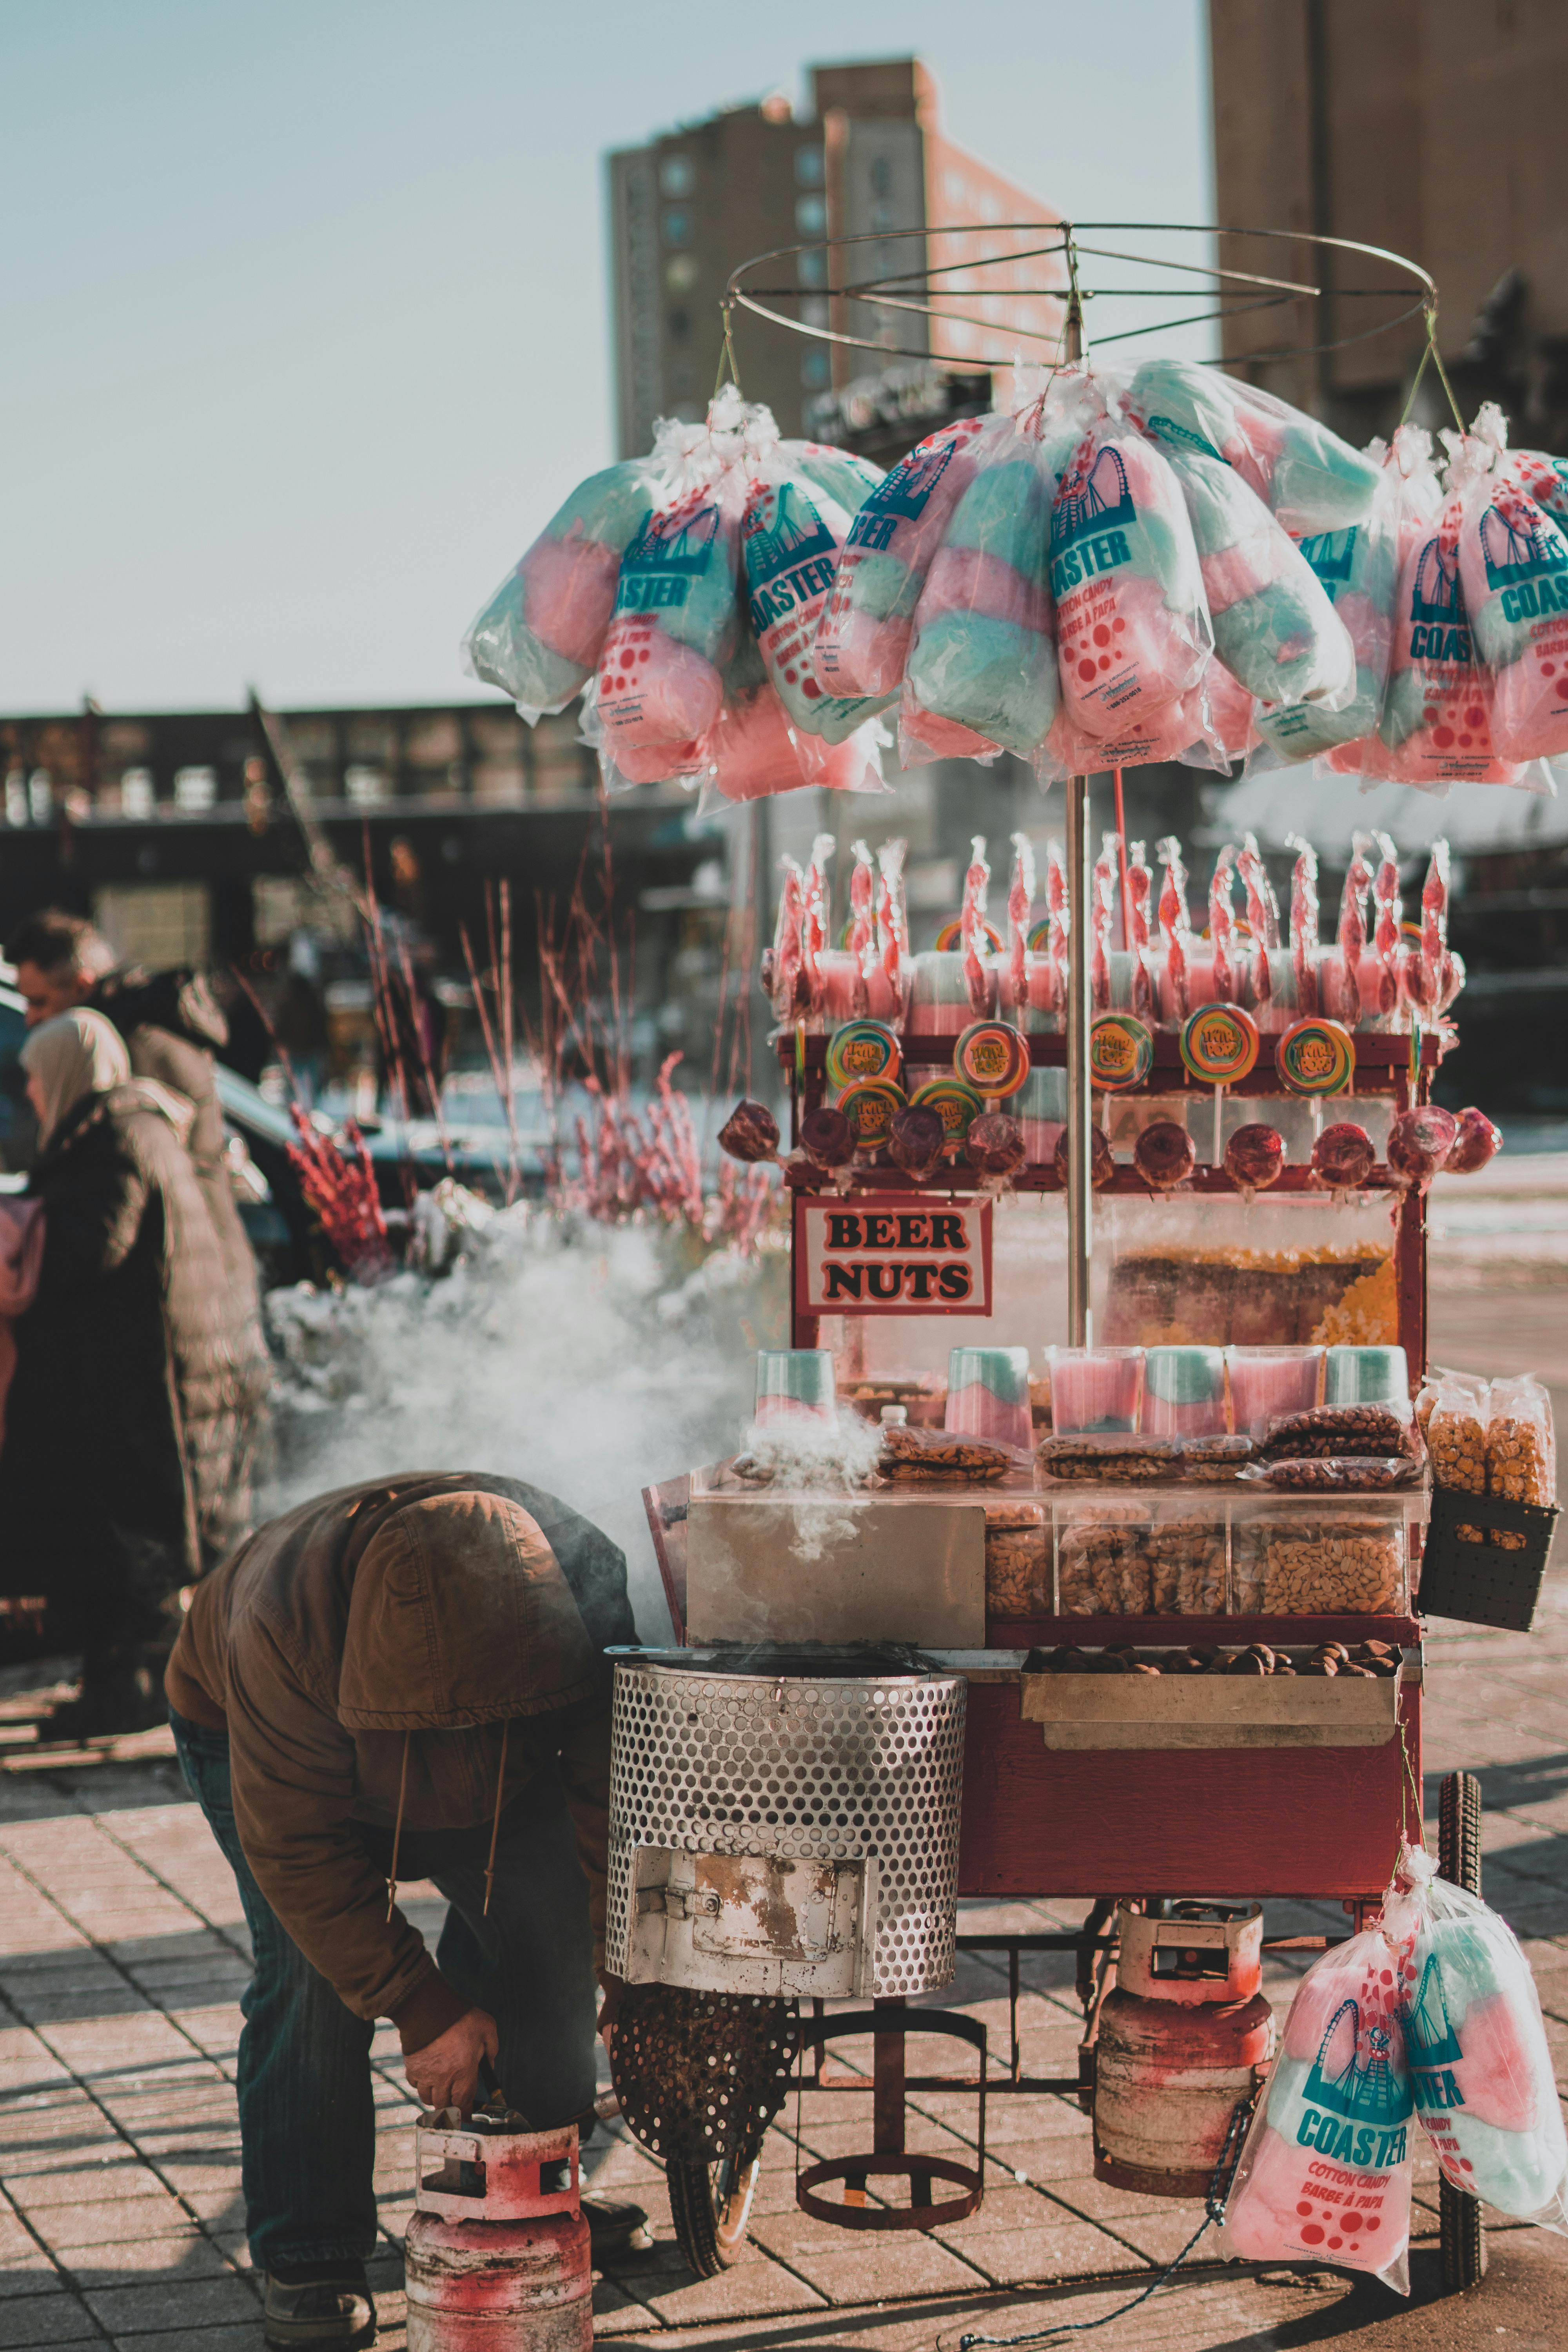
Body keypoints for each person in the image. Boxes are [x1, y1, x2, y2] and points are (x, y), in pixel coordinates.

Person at [164, 1472, 643, 2351]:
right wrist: (422, 2009)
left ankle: (529, 2194)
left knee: (544, 1924)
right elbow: (300, 1854)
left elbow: (602, 1789)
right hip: (258, 1736)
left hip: (509, 1761)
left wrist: (611, 1946)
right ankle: (307, 2249)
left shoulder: (583, 1584)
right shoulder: (280, 1630)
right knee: (312, 1977)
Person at [0, 1011, 268, 1733]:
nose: (28, 1093)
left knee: (130, 1544)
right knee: (131, 1540)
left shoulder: (118, 1140)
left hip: (143, 1383)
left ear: (67, 1073)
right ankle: (126, 1687)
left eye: (34, 1077)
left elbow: (95, 1248)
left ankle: (134, 1694)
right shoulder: (131, 1130)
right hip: (147, 1374)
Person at [6, 908, 270, 1553]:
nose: (33, 1018)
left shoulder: (134, 1064)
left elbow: (118, 1215)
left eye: (41, 1001)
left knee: (180, 1518)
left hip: (184, 1286)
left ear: (85, 984)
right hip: (189, 1280)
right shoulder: (137, 1041)